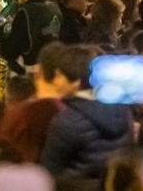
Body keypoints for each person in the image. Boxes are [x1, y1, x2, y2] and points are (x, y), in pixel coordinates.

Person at [39, 44, 133, 191]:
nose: (56, 82)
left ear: (76, 81)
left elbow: (50, 170)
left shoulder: (67, 120)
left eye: (59, 76)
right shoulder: (123, 109)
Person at [0, 0, 61, 84]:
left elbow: (9, 51)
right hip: (53, 75)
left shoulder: (25, 13)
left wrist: (4, 30)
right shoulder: (54, 8)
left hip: (30, 80)